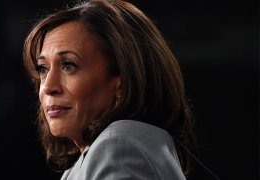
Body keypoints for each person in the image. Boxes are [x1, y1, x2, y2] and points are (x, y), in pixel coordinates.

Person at [23, 0, 196, 179]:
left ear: (122, 80)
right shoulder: (120, 148)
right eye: (43, 69)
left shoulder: (118, 148)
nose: (48, 87)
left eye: (69, 65)